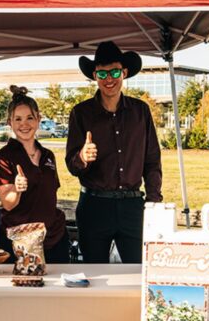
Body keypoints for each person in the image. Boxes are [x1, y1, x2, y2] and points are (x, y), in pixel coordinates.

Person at [65, 41, 162, 264]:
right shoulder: (80, 113)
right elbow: (71, 164)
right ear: (94, 76)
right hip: (94, 206)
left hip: (132, 206)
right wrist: (82, 157)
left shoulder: (140, 111)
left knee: (138, 270)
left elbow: (152, 160)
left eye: (115, 72)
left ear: (124, 73)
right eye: (102, 73)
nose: (109, 79)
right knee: (94, 273)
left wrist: (154, 201)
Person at [0, 86, 70, 263]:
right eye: (18, 119)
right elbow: (8, 204)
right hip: (19, 242)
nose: (24, 124)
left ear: (38, 119)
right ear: (10, 122)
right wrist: (16, 189)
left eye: (29, 118)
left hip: (53, 238)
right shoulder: (3, 158)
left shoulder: (48, 155)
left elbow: (49, 196)